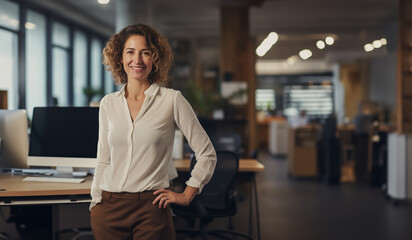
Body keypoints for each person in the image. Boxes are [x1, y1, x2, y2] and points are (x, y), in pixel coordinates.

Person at [89, 23, 217, 240]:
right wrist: (95, 201)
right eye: (130, 52)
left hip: (151, 208)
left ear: (155, 58)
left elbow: (207, 154)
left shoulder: (172, 100)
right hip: (108, 208)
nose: (137, 60)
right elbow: (103, 159)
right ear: (120, 58)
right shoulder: (108, 103)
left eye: (145, 53)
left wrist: (187, 195)